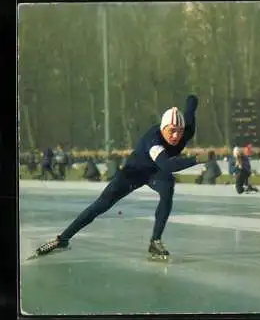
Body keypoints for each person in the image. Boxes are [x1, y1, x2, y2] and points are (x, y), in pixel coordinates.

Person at [33, 95, 208, 260]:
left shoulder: (187, 130)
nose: (176, 136)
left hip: (155, 172)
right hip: (133, 172)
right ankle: (63, 238)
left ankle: (155, 241)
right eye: (172, 131)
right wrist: (196, 159)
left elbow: (190, 109)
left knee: (168, 185)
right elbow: (168, 165)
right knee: (101, 205)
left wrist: (192, 99)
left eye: (179, 131)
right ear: (163, 129)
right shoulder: (154, 141)